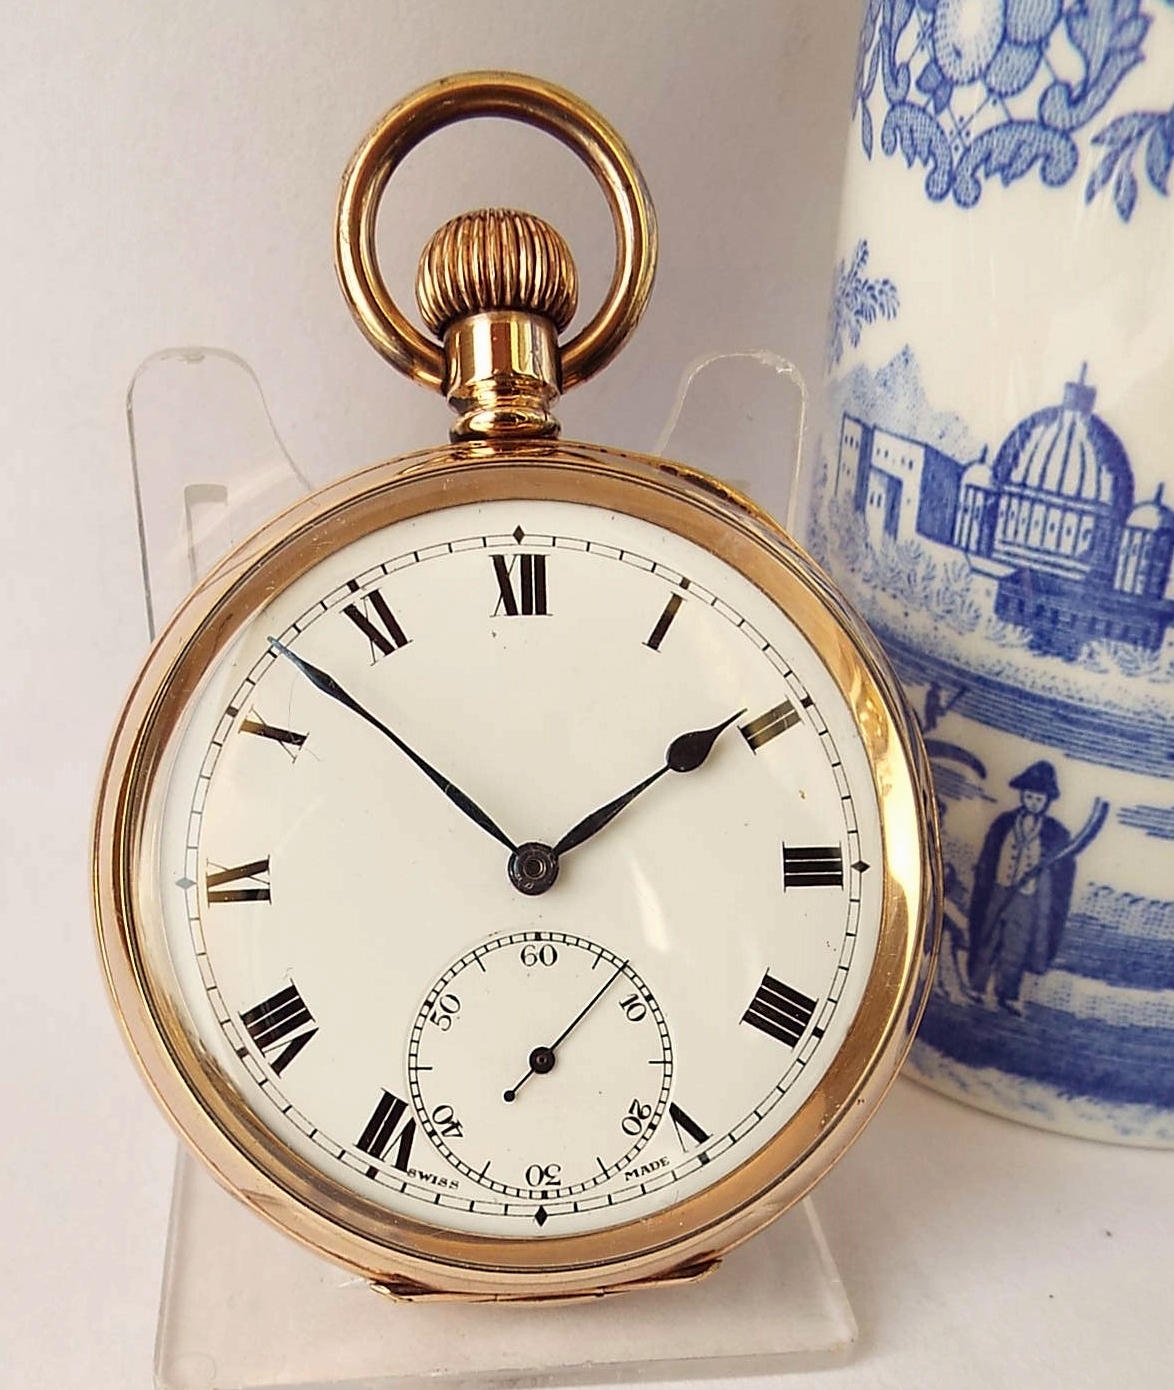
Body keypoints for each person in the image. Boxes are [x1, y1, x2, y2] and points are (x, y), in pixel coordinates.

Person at [966, 761, 1074, 1016]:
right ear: (1022, 795)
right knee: (988, 936)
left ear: (1047, 801)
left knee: (1017, 946)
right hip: (999, 889)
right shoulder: (1004, 822)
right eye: (1029, 796)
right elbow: (989, 855)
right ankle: (976, 985)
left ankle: (1007, 993)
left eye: (1039, 798)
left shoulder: (1055, 833)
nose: (1033, 802)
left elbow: (1062, 873)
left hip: (1027, 899)